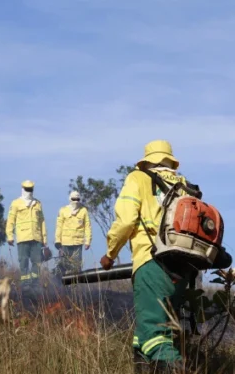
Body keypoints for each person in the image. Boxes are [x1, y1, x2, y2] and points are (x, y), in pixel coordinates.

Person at [101, 140, 197, 372]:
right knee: (145, 335)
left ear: (146, 160)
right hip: (183, 268)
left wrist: (110, 254)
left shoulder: (139, 178)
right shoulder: (184, 185)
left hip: (152, 263)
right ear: (170, 160)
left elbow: (125, 221)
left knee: (156, 337)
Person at [6, 180, 49, 284]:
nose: (29, 191)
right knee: (23, 263)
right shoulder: (16, 203)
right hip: (23, 238)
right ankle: (25, 286)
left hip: (36, 238)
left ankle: (35, 284)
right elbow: (11, 220)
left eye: (31, 189)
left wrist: (44, 238)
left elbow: (42, 221)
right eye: (27, 189)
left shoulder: (38, 203)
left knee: (37, 262)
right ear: (23, 189)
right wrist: (10, 236)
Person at [54, 190, 92, 275]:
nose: (76, 201)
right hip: (65, 243)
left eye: (77, 199)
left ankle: (75, 285)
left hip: (78, 244)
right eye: (74, 199)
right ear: (70, 199)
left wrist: (88, 241)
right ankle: (62, 285)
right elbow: (59, 226)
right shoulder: (63, 210)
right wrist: (57, 241)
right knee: (64, 264)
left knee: (77, 266)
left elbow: (87, 227)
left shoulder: (84, 211)